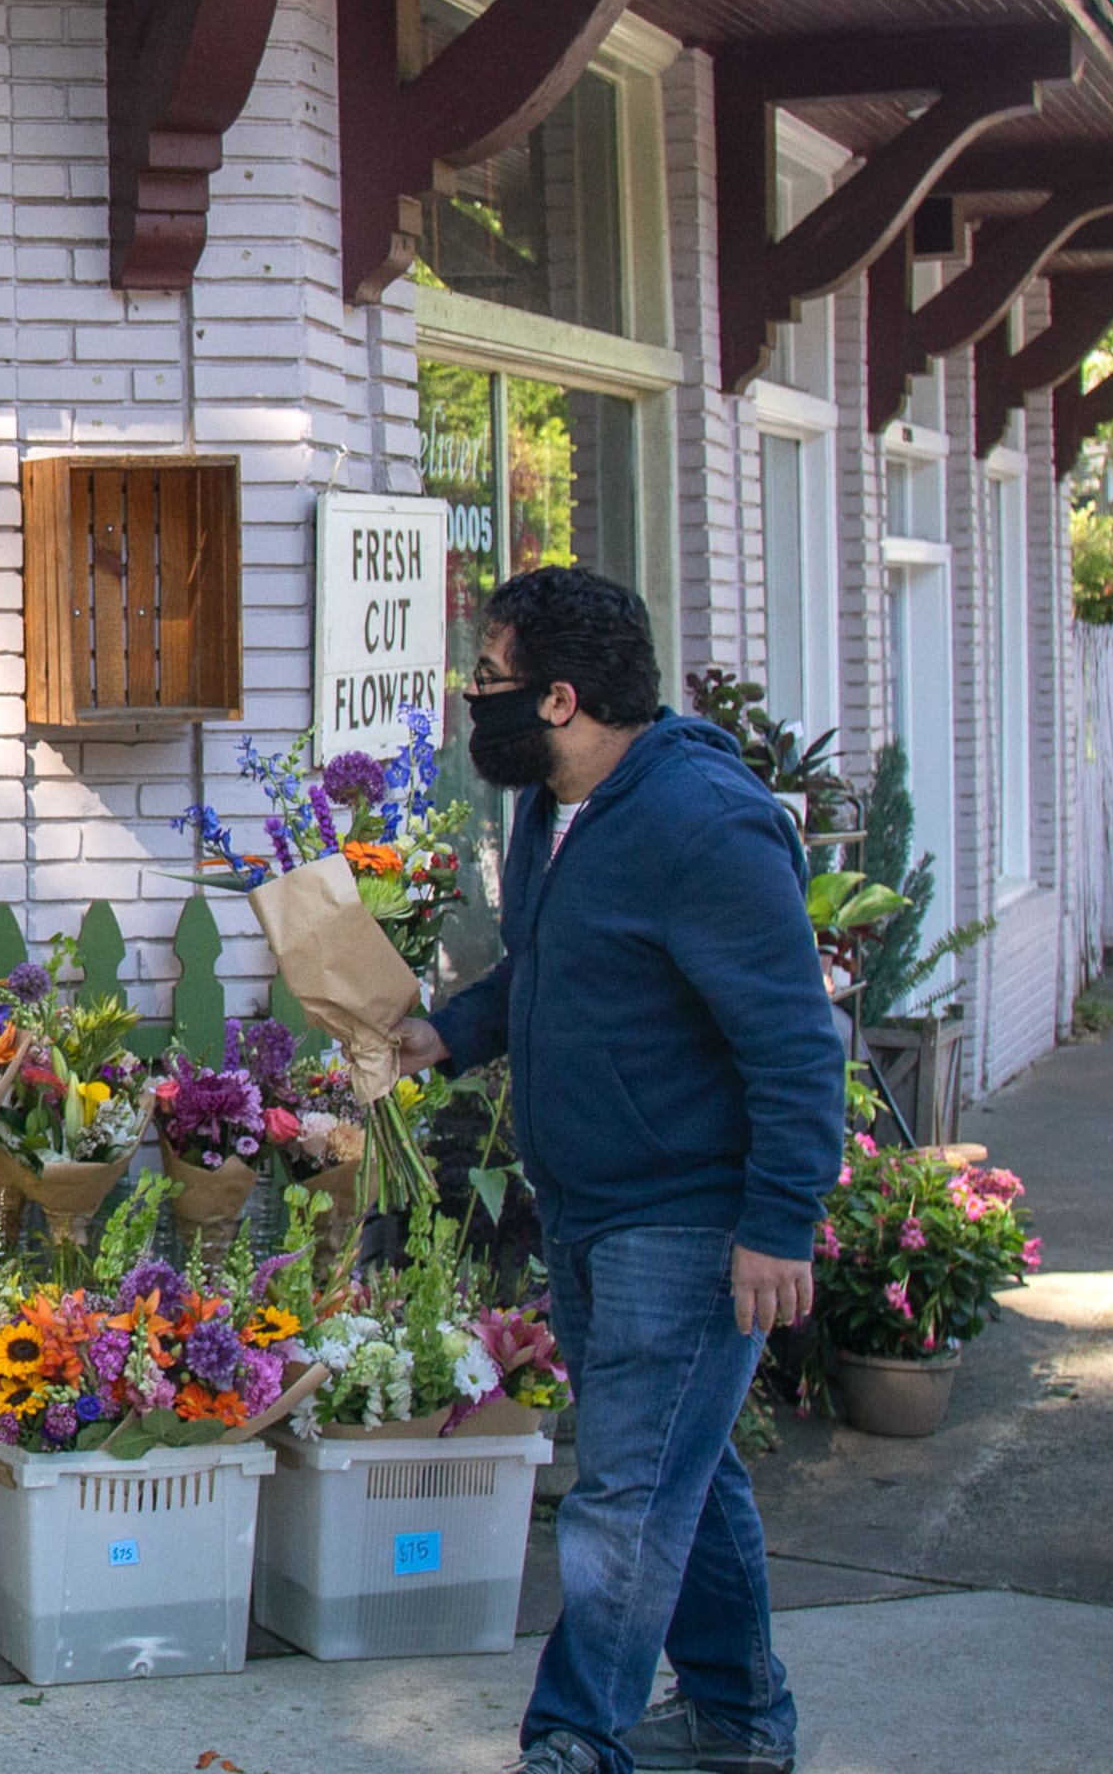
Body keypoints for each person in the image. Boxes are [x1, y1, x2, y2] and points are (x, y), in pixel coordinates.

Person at [388, 566, 843, 1774]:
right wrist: (453, 1031)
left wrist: (780, 1222)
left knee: (624, 1499)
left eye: (486, 679)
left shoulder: (703, 822)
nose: (470, 699)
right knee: (689, 1476)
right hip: (588, 1208)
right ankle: (741, 1723)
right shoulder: (555, 806)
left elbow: (797, 1041)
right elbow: (547, 968)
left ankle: (576, 1740)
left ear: (559, 697)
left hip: (687, 1219)